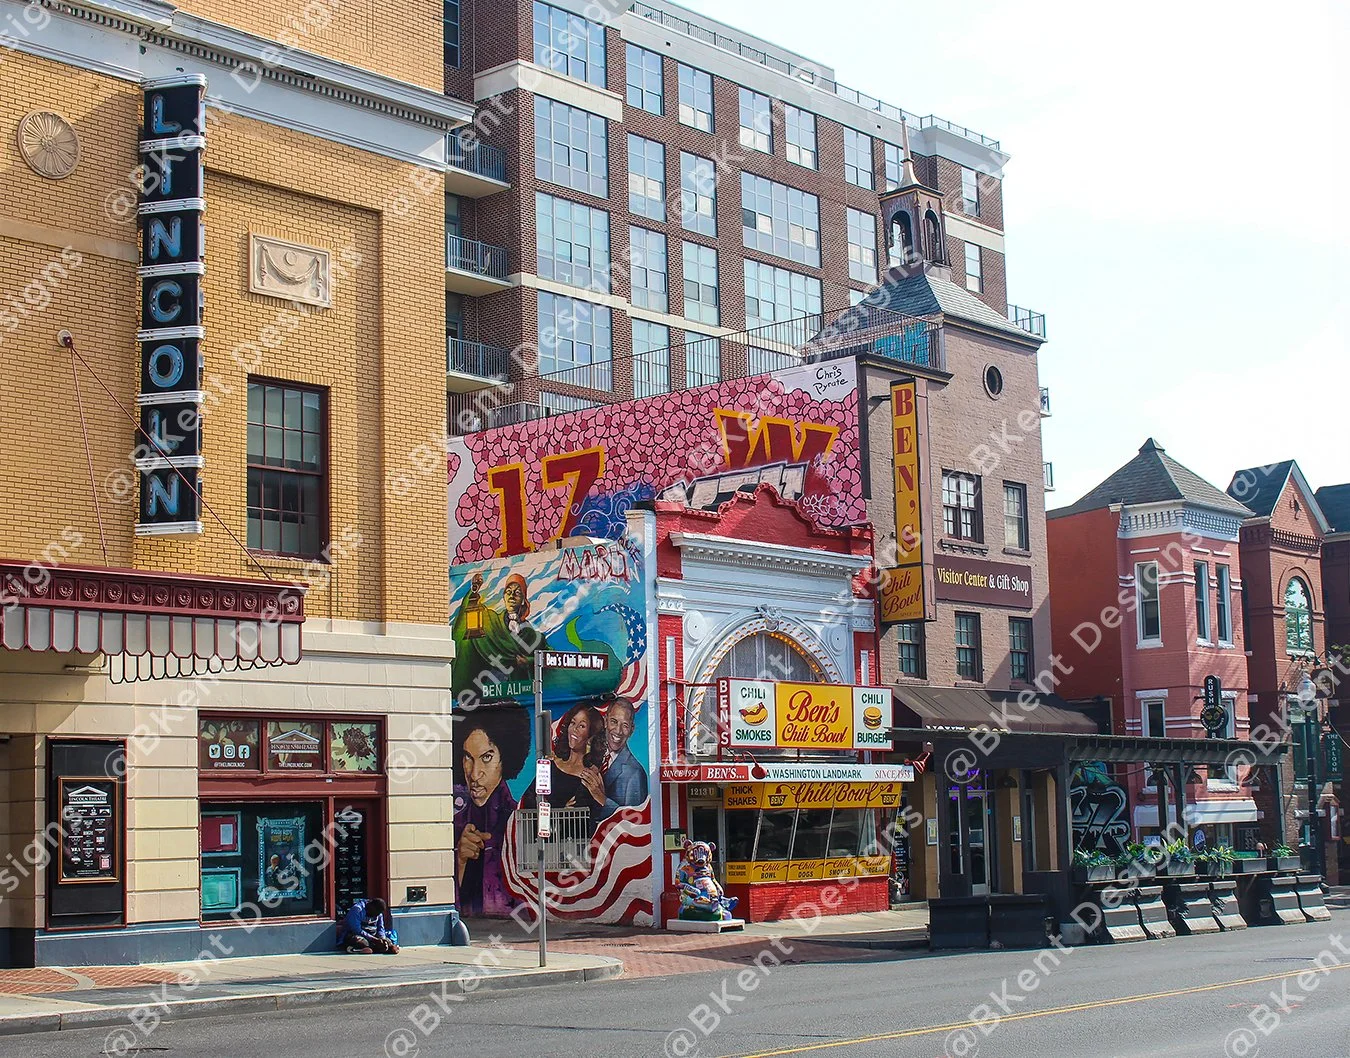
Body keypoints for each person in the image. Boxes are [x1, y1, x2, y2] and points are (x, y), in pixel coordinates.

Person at [454, 706, 531, 916]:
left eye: (486, 757)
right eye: (468, 757)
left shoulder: (517, 823)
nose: (474, 773)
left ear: (505, 758)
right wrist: (460, 861)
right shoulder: (452, 825)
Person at [451, 572, 547, 699]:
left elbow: (548, 657)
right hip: (487, 690)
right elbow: (472, 610)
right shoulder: (492, 620)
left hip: (517, 694)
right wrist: (474, 591)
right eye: (508, 592)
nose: (512, 596)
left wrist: (528, 661)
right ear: (504, 597)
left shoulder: (531, 635)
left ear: (524, 600)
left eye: (517, 593)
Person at [521, 703, 606, 831]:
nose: (574, 729)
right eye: (572, 723)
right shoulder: (550, 765)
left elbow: (593, 816)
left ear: (591, 736)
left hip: (575, 845)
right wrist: (559, 811)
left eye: (582, 726)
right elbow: (529, 802)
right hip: (544, 841)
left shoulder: (591, 776)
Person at [594, 696, 648, 821]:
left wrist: (601, 798)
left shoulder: (635, 773)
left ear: (631, 730)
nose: (618, 731)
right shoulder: (593, 757)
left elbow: (634, 820)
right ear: (605, 721)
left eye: (625, 725)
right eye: (613, 721)